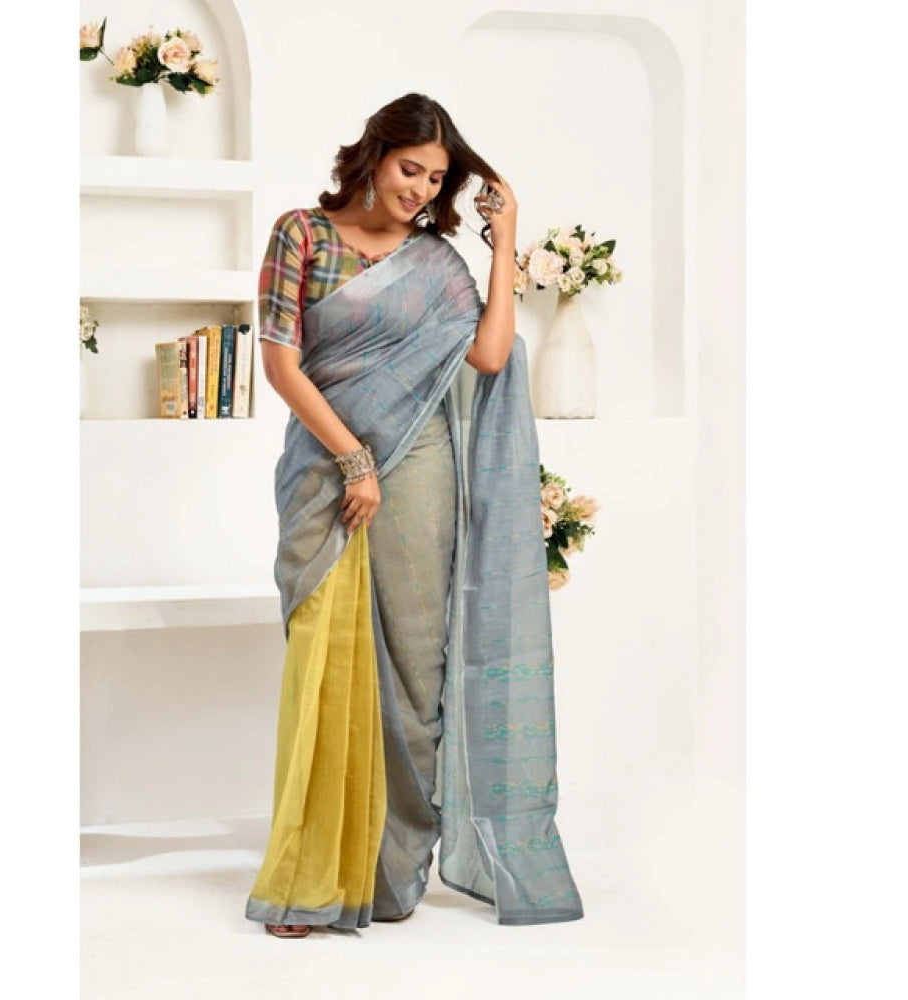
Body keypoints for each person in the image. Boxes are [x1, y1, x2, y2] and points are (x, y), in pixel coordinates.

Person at [244, 93, 583, 938]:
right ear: (373, 153)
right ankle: (313, 878)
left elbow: (491, 354)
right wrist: (353, 459)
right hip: (326, 474)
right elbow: (281, 364)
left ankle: (390, 873)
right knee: (322, 665)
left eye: (436, 178)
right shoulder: (301, 234)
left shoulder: (435, 262)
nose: (420, 189)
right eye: (410, 169)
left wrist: (505, 240)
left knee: (413, 672)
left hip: (420, 472)